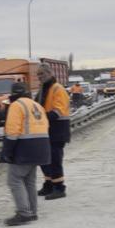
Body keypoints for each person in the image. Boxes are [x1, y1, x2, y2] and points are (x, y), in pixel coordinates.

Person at [0, 83, 51, 226]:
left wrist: (7, 151)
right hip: (42, 145)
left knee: (14, 180)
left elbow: (12, 131)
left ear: (13, 94)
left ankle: (23, 213)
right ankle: (32, 211)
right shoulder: (36, 105)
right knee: (29, 181)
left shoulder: (16, 105)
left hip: (25, 147)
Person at [35, 63, 71, 200]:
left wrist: (41, 118)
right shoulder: (43, 89)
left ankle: (59, 187)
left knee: (55, 159)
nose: (39, 77)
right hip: (46, 130)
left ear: (50, 73)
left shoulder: (57, 89)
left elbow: (58, 111)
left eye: (42, 74)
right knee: (45, 159)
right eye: (38, 74)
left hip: (58, 129)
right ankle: (49, 184)